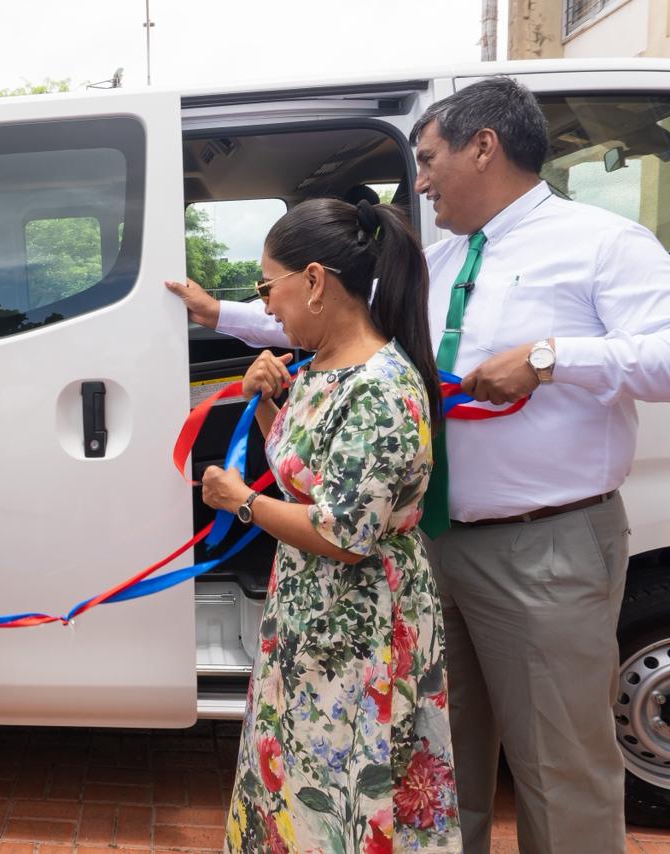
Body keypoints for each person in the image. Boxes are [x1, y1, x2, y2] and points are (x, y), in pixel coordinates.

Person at [170, 76, 670, 854]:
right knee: (439, 759)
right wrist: (225, 316)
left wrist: (550, 358)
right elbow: (332, 306)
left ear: (485, 146)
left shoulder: (603, 245)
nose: (423, 179)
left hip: (545, 547)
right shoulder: (437, 261)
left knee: (558, 765)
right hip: (431, 547)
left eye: (429, 158)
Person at [194, 198, 460, 853]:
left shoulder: (379, 385)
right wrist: (266, 406)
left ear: (313, 281)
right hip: (307, 622)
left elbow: (345, 533)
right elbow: (306, 476)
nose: (264, 306)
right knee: (296, 782)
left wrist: (239, 502)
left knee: (344, 791)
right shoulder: (318, 368)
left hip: (358, 630)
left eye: (266, 286)